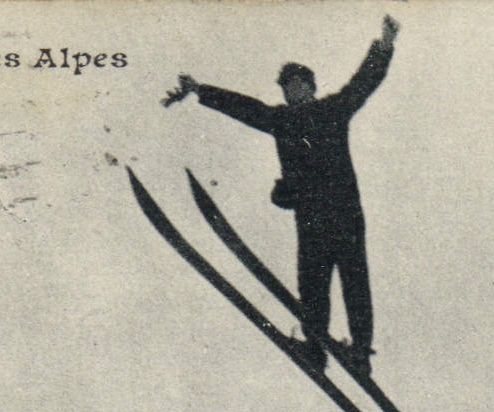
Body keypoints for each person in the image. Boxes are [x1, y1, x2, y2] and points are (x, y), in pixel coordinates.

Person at [170, 15, 400, 375]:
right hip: (310, 217)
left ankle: (359, 352)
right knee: (311, 284)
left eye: (296, 85)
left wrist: (384, 46)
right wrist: (201, 89)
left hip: (343, 212)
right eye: (286, 88)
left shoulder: (331, 111)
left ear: (310, 86)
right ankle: (315, 348)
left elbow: (364, 82)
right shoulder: (282, 121)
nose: (290, 92)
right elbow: (245, 107)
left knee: (354, 282)